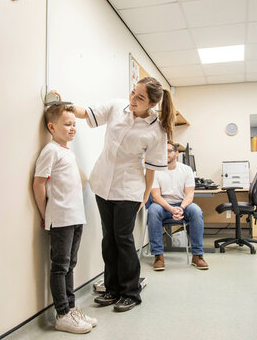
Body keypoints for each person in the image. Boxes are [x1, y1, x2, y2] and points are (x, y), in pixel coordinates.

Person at [70, 77, 176, 312]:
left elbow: (151, 169)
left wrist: (144, 196)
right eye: (133, 93)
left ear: (152, 103)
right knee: (109, 239)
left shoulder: (157, 130)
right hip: (102, 183)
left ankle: (130, 292)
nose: (133, 99)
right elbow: (86, 113)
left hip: (129, 188)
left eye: (140, 97)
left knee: (124, 239)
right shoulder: (118, 107)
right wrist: (65, 106)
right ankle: (112, 288)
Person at [32, 104, 97, 334]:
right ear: (52, 127)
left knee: (70, 265)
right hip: (60, 218)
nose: (73, 129)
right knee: (60, 266)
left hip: (75, 216)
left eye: (74, 125)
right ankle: (62, 314)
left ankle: (71, 308)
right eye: (67, 124)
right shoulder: (50, 150)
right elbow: (39, 184)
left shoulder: (66, 151)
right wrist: (44, 214)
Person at [148, 141, 209, 271]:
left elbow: (189, 195)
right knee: (153, 210)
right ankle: (158, 256)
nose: (165, 154)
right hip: (162, 205)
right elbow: (156, 197)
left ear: (177, 153)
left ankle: (197, 255)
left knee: (196, 211)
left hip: (183, 205)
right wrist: (171, 209)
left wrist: (181, 208)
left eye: (169, 151)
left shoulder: (186, 170)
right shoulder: (155, 170)